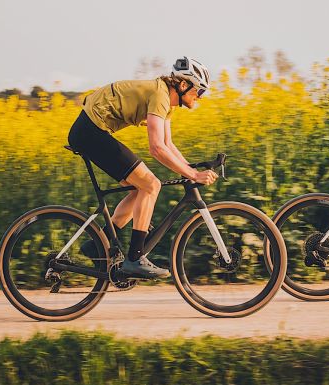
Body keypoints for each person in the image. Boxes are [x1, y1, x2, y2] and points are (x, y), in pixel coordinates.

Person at [68, 57, 218, 278]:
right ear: (184, 85)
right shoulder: (161, 95)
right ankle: (135, 258)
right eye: (199, 91)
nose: (200, 97)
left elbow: (168, 144)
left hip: (91, 131)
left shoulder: (166, 99)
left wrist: (188, 169)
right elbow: (156, 148)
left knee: (141, 188)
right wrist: (193, 174)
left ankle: (98, 244)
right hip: (90, 131)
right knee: (150, 185)